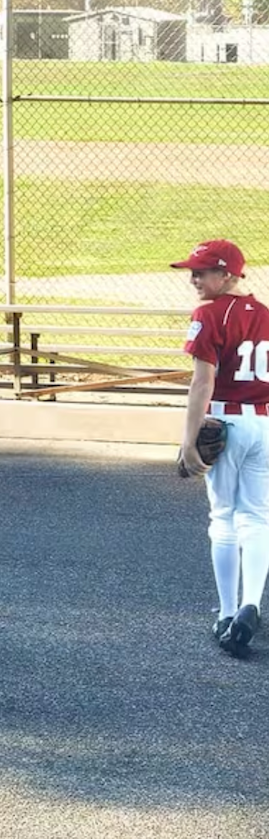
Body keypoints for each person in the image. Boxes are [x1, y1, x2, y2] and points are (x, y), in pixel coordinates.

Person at [171, 240, 269, 659]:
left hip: (224, 421)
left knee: (224, 518)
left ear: (227, 275)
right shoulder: (266, 315)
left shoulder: (209, 314)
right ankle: (253, 603)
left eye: (203, 272)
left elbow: (202, 383)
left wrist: (188, 437)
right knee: (258, 516)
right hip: (264, 422)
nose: (194, 279)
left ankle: (228, 613)